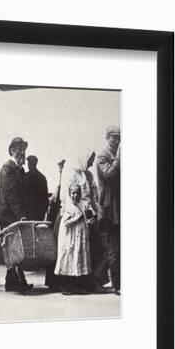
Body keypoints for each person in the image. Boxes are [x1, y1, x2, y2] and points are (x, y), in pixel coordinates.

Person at [0, 137, 33, 292]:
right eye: (17, 149)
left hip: (12, 214)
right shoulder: (7, 168)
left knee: (14, 248)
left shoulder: (18, 168)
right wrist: (20, 215)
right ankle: (16, 281)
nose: (21, 152)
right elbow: (11, 194)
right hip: (8, 215)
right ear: (11, 150)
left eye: (23, 149)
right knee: (14, 248)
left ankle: (12, 281)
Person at [67, 149, 106, 292]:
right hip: (78, 214)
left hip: (89, 214)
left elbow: (93, 197)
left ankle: (94, 281)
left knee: (95, 248)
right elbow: (69, 197)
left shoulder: (89, 175)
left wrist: (97, 213)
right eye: (90, 159)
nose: (91, 162)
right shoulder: (74, 175)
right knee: (80, 249)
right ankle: (80, 283)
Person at [54, 184, 91, 294]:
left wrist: (88, 222)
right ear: (70, 195)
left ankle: (77, 286)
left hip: (80, 237)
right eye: (73, 193)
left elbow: (84, 219)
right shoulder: (69, 208)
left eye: (77, 193)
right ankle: (66, 286)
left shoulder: (81, 206)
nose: (75, 195)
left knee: (78, 259)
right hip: (71, 237)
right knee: (69, 258)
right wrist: (76, 219)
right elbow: (66, 223)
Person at [97, 124, 121, 295]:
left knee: (117, 247)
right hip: (111, 209)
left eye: (118, 136)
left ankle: (99, 277)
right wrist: (119, 158)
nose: (117, 139)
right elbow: (109, 175)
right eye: (113, 136)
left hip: (120, 205)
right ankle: (116, 285)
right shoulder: (102, 156)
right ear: (107, 137)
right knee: (114, 248)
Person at [25, 155, 49, 221]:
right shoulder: (42, 177)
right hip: (39, 212)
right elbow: (45, 197)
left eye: (29, 163)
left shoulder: (26, 177)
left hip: (28, 211)